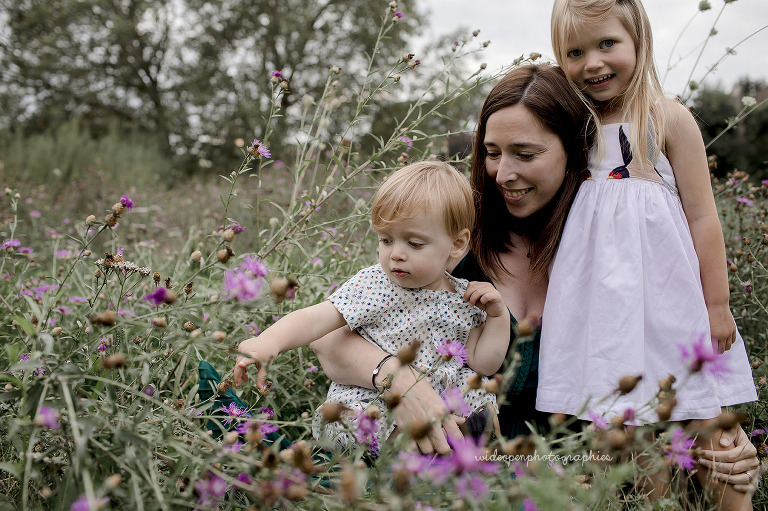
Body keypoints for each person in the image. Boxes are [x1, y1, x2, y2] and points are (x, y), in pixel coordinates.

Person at [311, 63, 760, 493]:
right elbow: (328, 341)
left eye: (526, 154)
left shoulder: (613, 260)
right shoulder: (453, 242)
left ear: (574, 151)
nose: (503, 174)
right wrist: (397, 379)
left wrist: (721, 441)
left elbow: (669, 361)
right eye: (491, 153)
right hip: (441, 475)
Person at [541, 0, 758, 507]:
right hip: (604, 317)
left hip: (672, 308)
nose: (592, 62)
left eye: (607, 44)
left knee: (706, 418)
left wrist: (717, 305)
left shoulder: (667, 119)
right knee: (629, 434)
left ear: (638, 40)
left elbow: (704, 218)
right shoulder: (571, 126)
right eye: (575, 51)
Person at [233, 160, 510, 450]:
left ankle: (454, 447)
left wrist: (497, 316)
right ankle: (391, 455)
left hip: (439, 401)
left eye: (414, 243)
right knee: (359, 423)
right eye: (386, 240)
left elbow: (483, 363)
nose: (396, 254)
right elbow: (316, 320)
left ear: (457, 244)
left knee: (478, 395)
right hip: (372, 398)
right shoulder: (376, 285)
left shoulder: (465, 297)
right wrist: (268, 342)